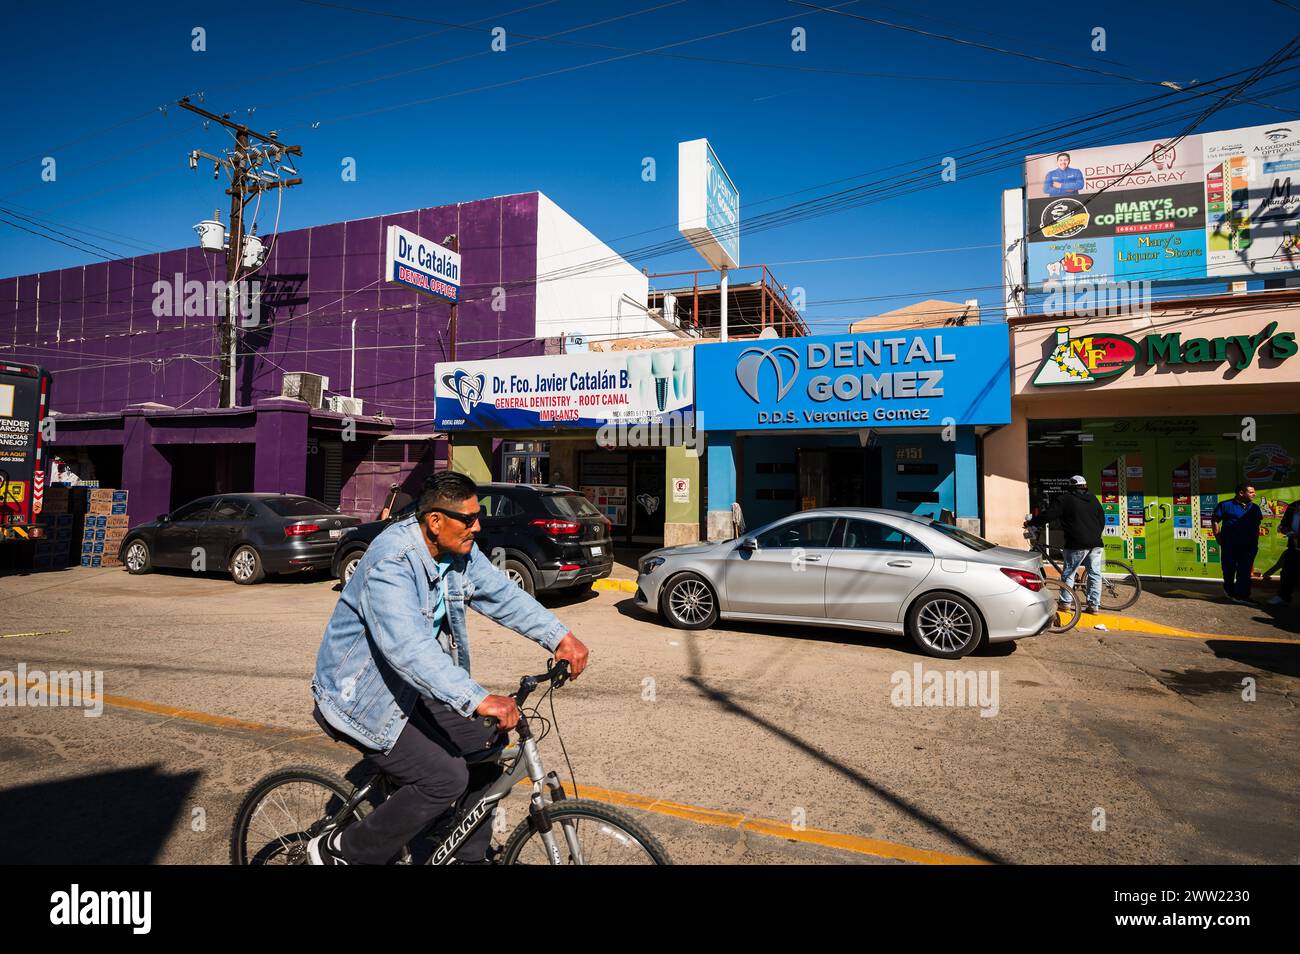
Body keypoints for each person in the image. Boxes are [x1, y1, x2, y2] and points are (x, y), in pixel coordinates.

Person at [308, 471, 590, 865]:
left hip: (415, 686)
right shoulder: (391, 561)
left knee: (487, 743)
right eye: (469, 519)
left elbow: (501, 593)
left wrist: (559, 636)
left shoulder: (456, 551)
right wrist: (477, 698)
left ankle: (464, 856)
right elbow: (408, 648)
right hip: (362, 696)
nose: (478, 526)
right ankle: (342, 851)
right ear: (435, 521)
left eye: (479, 517)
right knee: (445, 778)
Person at [1025, 475, 1106, 614]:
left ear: (1071, 485)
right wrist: (1094, 534)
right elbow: (1102, 519)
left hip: (1076, 543)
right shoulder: (1093, 498)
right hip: (1095, 543)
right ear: (1084, 486)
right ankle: (1094, 606)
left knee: (1069, 573)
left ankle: (1065, 603)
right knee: (1095, 574)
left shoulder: (1065, 499)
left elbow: (1049, 515)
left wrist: (1032, 522)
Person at [1212, 483, 1263, 604]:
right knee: (1228, 569)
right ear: (1241, 493)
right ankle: (1229, 590)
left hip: (1249, 546)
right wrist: (1217, 536)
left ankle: (1242, 595)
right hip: (1230, 544)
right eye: (1251, 492)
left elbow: (1257, 524)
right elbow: (1215, 520)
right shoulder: (1225, 505)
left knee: (1244, 570)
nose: (1254, 494)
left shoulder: (1255, 508)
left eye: (1254, 492)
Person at [1266, 497, 1300, 606]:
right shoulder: (1293, 505)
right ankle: (1283, 596)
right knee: (1287, 573)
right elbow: (1284, 523)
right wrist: (1285, 529)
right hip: (1293, 547)